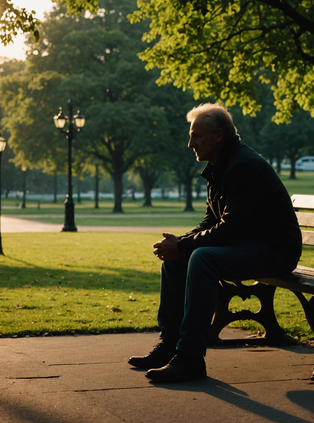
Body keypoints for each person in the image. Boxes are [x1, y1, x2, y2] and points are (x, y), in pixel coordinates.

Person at [128, 102, 302, 383]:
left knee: (201, 258)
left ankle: (190, 358)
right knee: (179, 258)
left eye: (196, 136)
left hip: (275, 251)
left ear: (218, 136)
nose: (190, 143)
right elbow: (212, 222)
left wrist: (184, 246)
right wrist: (179, 243)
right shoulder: (220, 165)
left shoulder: (242, 166)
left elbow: (231, 230)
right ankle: (170, 345)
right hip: (251, 244)